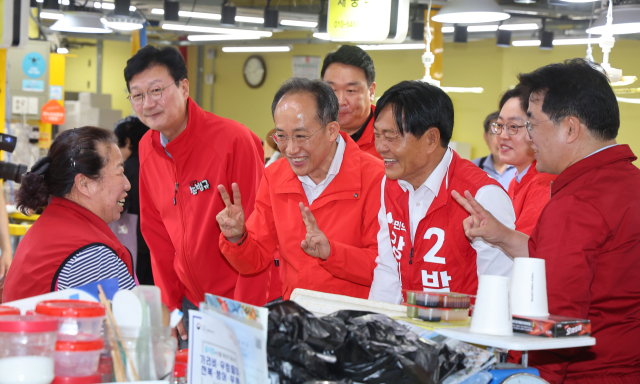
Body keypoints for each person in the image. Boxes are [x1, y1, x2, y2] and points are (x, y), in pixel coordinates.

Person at [452, 59, 640, 383]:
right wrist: (501, 236)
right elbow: (576, 265)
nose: (528, 136)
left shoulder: (577, 203)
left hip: (587, 374)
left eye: (532, 124)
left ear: (569, 128)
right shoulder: (627, 183)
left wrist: (519, 372)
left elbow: (554, 322)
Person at [125, 45, 272, 348]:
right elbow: (156, 234)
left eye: (156, 90)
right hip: (189, 304)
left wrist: (246, 311)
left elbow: (261, 230)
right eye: (137, 95)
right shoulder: (147, 148)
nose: (148, 103)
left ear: (183, 87)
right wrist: (170, 302)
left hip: (239, 303)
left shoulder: (233, 141)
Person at [216, 78, 384, 300]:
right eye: (282, 137)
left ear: (332, 131)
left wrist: (332, 253)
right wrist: (237, 238)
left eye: (301, 136)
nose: (292, 149)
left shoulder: (376, 177)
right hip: (298, 317)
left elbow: (385, 267)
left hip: (353, 321)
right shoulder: (275, 176)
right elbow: (256, 259)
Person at [368, 81, 516, 305]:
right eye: (377, 135)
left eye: (391, 137)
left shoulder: (482, 196)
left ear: (431, 139)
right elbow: (389, 270)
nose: (380, 147)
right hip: (411, 331)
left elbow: (499, 290)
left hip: (463, 334)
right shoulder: (390, 184)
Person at [2, 127, 135, 303]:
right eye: (120, 172)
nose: (127, 185)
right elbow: (125, 328)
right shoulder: (92, 256)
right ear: (84, 183)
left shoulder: (51, 226)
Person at [494, 85, 556, 236]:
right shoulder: (516, 181)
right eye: (500, 125)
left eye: (513, 126)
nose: (502, 135)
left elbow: (525, 249)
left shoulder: (544, 183)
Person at [321, 45, 381, 159]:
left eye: (351, 91)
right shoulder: (308, 136)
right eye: (332, 90)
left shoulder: (392, 139)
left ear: (371, 91)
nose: (340, 101)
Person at [113, 116, 153, 285]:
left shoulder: (126, 169)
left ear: (127, 141)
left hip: (134, 240)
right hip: (157, 241)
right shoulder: (158, 164)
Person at [472, 111, 516, 191]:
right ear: (486, 138)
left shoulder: (521, 169)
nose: (501, 140)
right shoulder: (474, 167)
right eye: (495, 134)